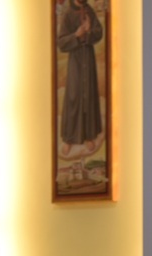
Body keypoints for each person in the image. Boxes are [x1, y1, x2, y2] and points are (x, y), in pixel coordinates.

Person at [56, 0, 105, 157]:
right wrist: (76, 35)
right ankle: (69, 139)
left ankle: (88, 135)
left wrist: (89, 32)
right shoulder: (68, 14)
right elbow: (61, 42)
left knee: (88, 95)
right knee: (74, 97)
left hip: (88, 60)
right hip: (76, 61)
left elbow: (99, 32)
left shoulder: (89, 10)